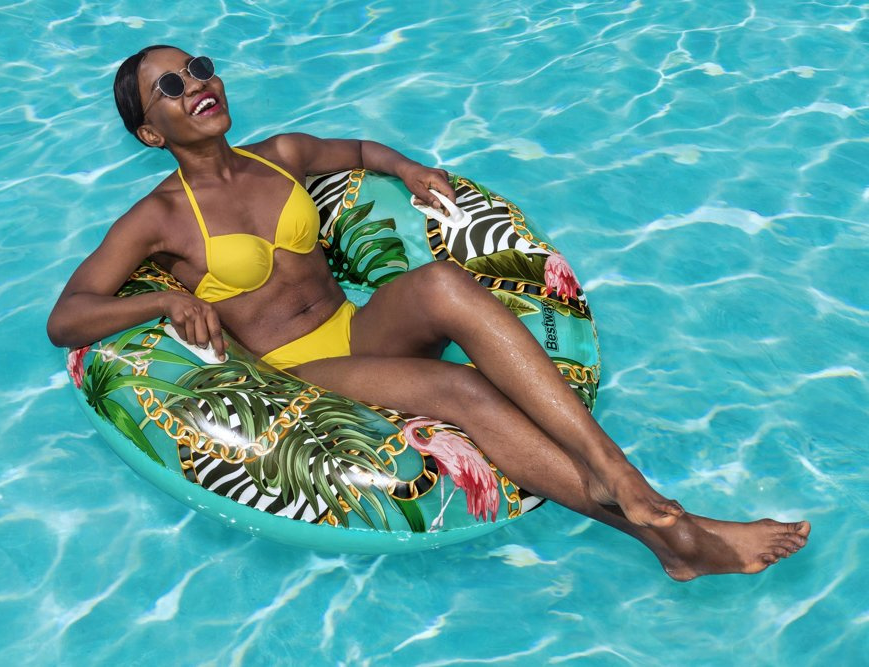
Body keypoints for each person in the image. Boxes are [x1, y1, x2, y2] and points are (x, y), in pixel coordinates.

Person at [47, 45, 809, 580]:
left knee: (443, 281)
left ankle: (617, 473)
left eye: (199, 67)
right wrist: (167, 297)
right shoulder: (159, 218)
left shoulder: (280, 155)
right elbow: (67, 317)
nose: (197, 84)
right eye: (170, 86)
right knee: (463, 390)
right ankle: (675, 535)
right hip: (297, 371)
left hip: (357, 327)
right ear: (151, 132)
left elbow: (360, 152)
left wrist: (408, 169)